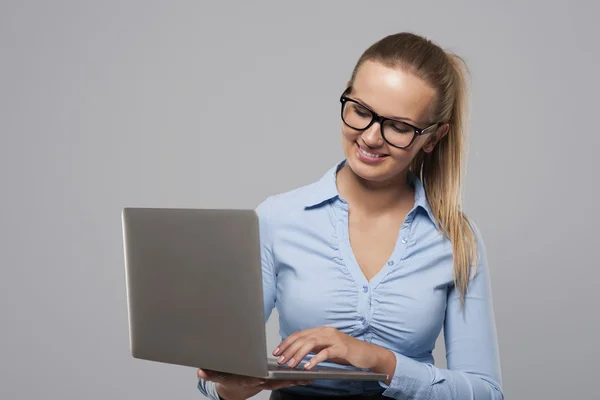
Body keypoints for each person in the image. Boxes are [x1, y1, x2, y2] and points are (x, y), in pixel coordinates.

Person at [197, 32, 503, 400]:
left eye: (399, 127)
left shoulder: (456, 240)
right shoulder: (277, 218)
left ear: (433, 138)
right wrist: (236, 384)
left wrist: (380, 361)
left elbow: (486, 393)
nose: (371, 137)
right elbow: (214, 376)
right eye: (360, 110)